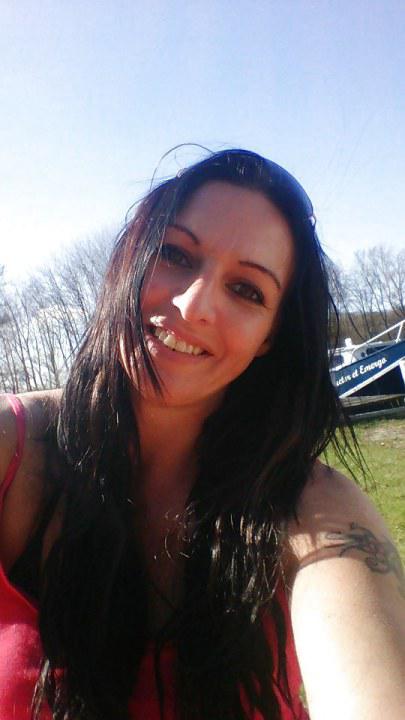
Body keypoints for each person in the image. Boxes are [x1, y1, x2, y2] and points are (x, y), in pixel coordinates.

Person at [0, 148, 404, 720]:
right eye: (175, 254)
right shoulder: (13, 450)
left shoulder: (313, 509)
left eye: (247, 290)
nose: (193, 306)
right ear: (131, 257)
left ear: (269, 337)